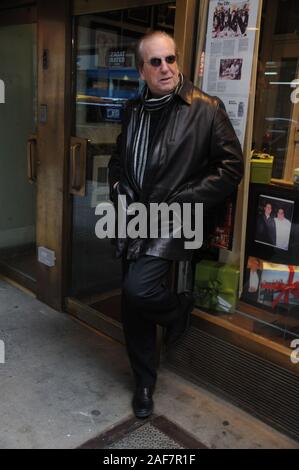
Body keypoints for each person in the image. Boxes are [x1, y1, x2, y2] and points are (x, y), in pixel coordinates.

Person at [108, 31, 243, 419]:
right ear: (141, 70)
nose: (165, 68)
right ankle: (144, 383)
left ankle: (178, 311)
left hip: (174, 217)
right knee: (131, 304)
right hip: (133, 217)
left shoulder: (205, 108)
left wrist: (185, 198)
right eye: (156, 62)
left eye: (170, 59)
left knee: (139, 289)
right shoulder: (135, 109)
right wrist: (118, 184)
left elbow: (231, 167)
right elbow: (120, 156)